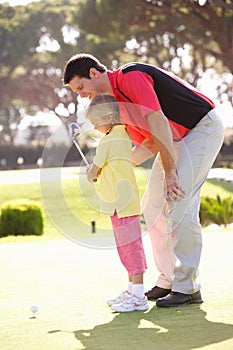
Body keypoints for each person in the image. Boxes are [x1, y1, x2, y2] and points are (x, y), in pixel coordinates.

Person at [63, 53, 224, 307]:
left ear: (94, 73)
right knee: (152, 204)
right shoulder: (117, 107)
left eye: (81, 87)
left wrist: (171, 174)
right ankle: (167, 280)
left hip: (201, 128)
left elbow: (158, 122)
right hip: (174, 141)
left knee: (179, 200)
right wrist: (112, 167)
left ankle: (188, 287)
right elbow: (149, 142)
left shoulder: (131, 76)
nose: (81, 95)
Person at [84, 93, 149, 313]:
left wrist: (90, 174)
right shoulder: (121, 135)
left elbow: (94, 171)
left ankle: (138, 295)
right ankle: (132, 290)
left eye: (96, 123)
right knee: (127, 249)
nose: (95, 128)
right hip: (119, 205)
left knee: (130, 249)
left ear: (109, 117)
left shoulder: (109, 140)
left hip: (121, 205)